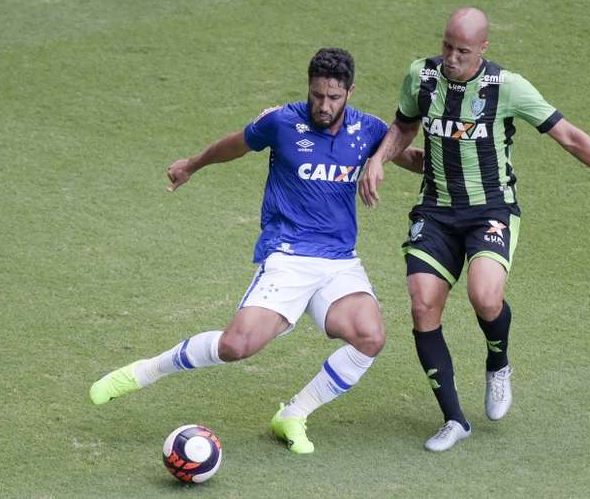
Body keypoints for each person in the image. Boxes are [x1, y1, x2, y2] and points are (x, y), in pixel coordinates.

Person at [359, 7, 590, 452]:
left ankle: (498, 364)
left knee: (485, 296)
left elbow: (571, 137)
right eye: (446, 46)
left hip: (492, 210)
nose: (451, 57)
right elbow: (405, 126)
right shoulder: (421, 76)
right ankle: (454, 420)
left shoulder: (507, 87)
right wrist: (378, 158)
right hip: (437, 210)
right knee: (423, 304)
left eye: (462, 51)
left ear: (483, 48)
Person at [90, 48, 421, 454]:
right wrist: (191, 165)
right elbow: (235, 144)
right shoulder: (282, 122)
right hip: (287, 255)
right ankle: (144, 371)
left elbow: (410, 157)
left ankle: (294, 414)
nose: (323, 105)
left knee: (370, 336)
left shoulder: (367, 130)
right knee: (235, 346)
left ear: (350, 92)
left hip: (338, 262)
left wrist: (462, 154)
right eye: (317, 95)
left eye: (334, 98)